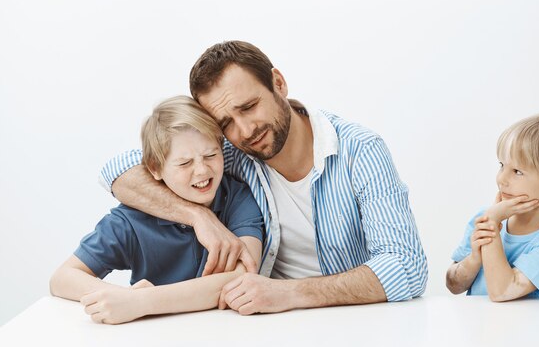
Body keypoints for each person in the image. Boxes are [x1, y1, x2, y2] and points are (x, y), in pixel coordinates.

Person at [99, 40, 428, 315]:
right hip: (263, 328)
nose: (244, 131)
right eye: (225, 122)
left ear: (279, 84)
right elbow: (118, 170)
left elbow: (406, 267)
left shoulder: (359, 150)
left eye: (249, 106)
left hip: (353, 323)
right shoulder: (232, 152)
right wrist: (196, 215)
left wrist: (289, 294)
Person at [49, 96, 264, 324]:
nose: (202, 171)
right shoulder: (130, 220)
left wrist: (143, 302)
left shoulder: (238, 198)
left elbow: (244, 277)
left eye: (211, 155)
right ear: (155, 169)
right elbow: (62, 278)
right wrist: (119, 298)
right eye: (184, 163)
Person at [446, 114, 539, 301]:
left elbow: (502, 291)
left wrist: (492, 224)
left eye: (517, 172)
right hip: (479, 328)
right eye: (501, 166)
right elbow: (453, 285)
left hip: (527, 330)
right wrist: (474, 259)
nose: (501, 179)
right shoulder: (485, 217)